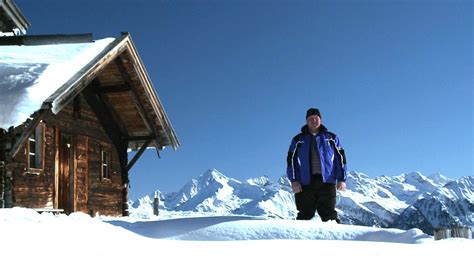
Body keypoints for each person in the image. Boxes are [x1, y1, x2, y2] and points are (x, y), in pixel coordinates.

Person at [286, 108, 347, 222]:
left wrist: (342, 179)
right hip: (305, 183)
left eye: (316, 118)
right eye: (310, 119)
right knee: (304, 216)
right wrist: (294, 180)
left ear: (320, 120)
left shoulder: (331, 137)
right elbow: (291, 161)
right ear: (306, 121)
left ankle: (336, 239)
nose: (313, 120)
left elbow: (341, 159)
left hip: (327, 182)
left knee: (329, 217)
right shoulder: (298, 139)